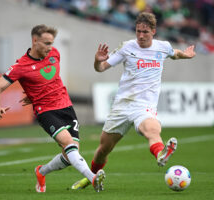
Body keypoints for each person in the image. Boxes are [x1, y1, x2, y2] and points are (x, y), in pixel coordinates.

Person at [71, 12, 196, 190]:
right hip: (122, 105)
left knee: (152, 129)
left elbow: (174, 53)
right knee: (103, 149)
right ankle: (90, 178)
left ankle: (161, 153)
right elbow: (101, 68)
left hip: (144, 106)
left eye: (145, 32)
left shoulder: (163, 47)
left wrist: (186, 54)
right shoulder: (127, 47)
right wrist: (97, 61)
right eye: (138, 31)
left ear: (153, 31)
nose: (141, 35)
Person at [0, 24, 105, 193]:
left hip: (66, 106)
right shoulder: (21, 66)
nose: (50, 47)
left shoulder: (54, 54)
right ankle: (92, 177)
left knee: (70, 156)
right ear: (35, 41)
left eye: (51, 43)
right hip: (46, 111)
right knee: (68, 143)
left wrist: (35, 92)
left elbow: (49, 79)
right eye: (46, 43)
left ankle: (41, 171)